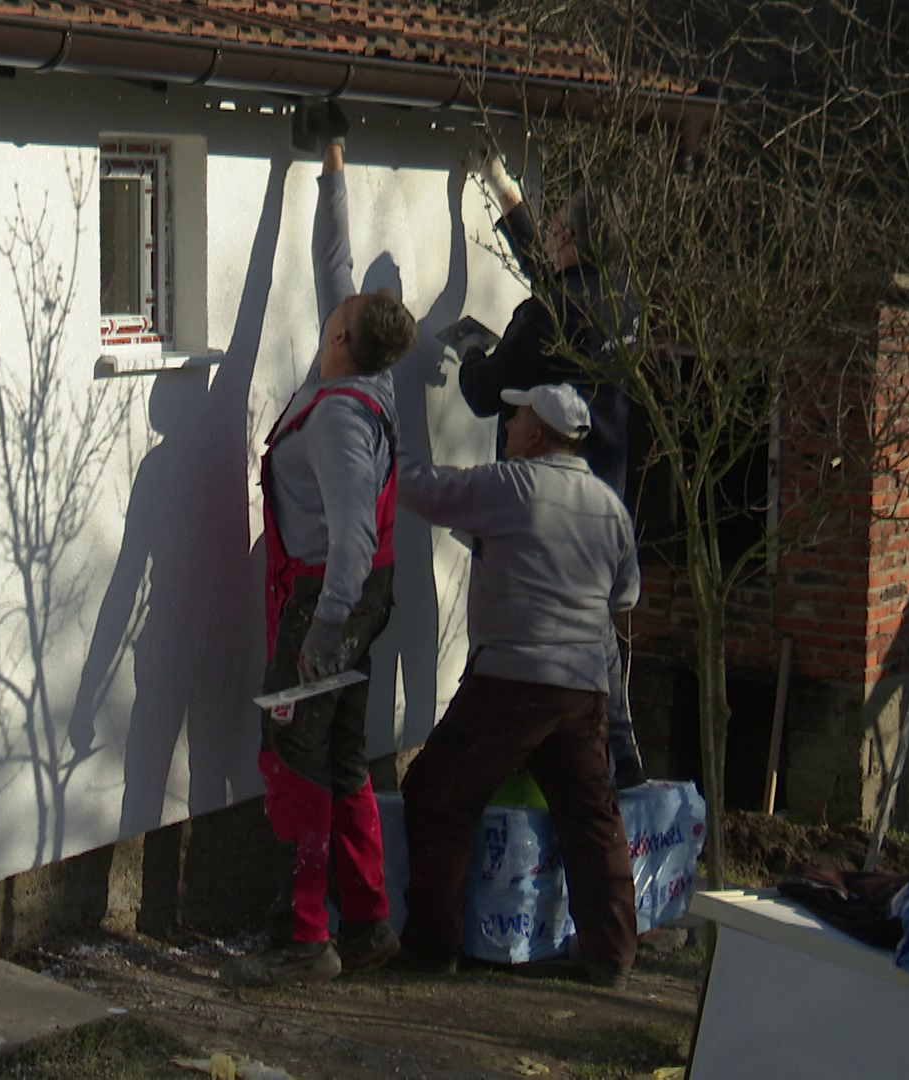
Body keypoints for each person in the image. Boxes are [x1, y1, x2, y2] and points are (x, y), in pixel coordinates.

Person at [225, 100, 415, 988]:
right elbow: (330, 261)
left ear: (340, 334)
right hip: (358, 594)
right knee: (342, 755)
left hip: (327, 597)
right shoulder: (365, 372)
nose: (331, 301)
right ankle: (371, 922)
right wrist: (332, 161)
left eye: (338, 309)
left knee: (295, 761)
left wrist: (323, 630)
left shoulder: (342, 420)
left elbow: (346, 542)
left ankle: (307, 938)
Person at [395, 383, 641, 987]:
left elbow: (423, 489)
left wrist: (379, 438)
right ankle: (611, 954)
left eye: (515, 418)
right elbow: (626, 594)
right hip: (583, 688)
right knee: (591, 817)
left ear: (535, 434)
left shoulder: (511, 486)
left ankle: (432, 946)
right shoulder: (607, 504)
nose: (506, 426)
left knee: (437, 793)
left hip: (510, 683)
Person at [458, 152, 648, 790]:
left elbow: (487, 392)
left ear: (571, 237)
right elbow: (553, 274)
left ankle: (563, 765)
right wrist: (504, 189)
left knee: (529, 637)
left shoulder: (551, 314)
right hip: (604, 499)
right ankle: (621, 764)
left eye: (559, 224)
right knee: (595, 627)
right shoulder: (621, 295)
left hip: (547, 509)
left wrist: (470, 354)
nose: (555, 232)